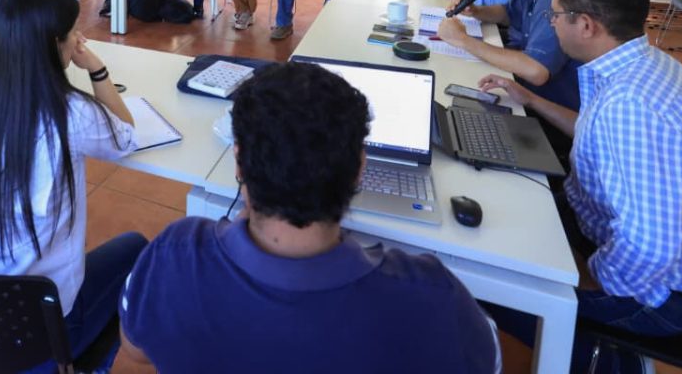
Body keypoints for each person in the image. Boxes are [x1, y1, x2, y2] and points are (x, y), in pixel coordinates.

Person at [119, 62, 501, 373]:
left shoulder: (175, 255)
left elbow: (135, 351)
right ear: (359, 169)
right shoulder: (432, 297)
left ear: (239, 162)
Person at [477, 0, 682, 373]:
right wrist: (529, 99)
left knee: (483, 282)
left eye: (555, 14)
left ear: (586, 25)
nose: (551, 23)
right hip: (602, 232)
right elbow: (593, 132)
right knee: (499, 215)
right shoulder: (639, 66)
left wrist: (581, 278)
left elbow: (650, 246)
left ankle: (613, 364)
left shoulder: (634, 103)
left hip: (654, 298)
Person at [0, 0, 146, 368]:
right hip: (40, 330)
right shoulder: (70, 113)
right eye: (73, 33)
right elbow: (126, 136)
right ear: (55, 44)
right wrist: (97, 69)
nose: (78, 39)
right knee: (136, 249)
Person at [437, 0, 580, 149]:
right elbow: (507, 14)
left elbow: (536, 71)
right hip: (523, 94)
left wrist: (463, 40)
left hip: (547, 117)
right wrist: (477, 11)